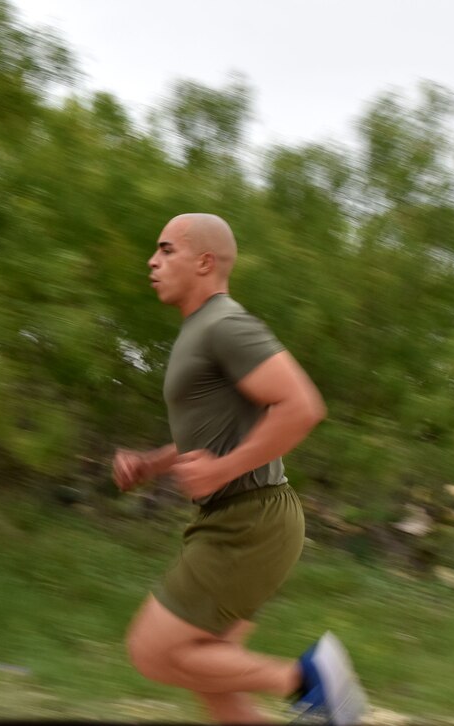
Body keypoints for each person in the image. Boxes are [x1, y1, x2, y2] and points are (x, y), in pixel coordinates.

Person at [112, 213, 368, 725]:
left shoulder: (225, 325)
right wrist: (153, 463)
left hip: (247, 522)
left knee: (152, 652)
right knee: (217, 688)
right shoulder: (201, 331)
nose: (152, 261)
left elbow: (302, 406)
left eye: (166, 250)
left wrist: (223, 469)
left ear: (204, 262)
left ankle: (309, 678)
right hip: (244, 519)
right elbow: (213, 432)